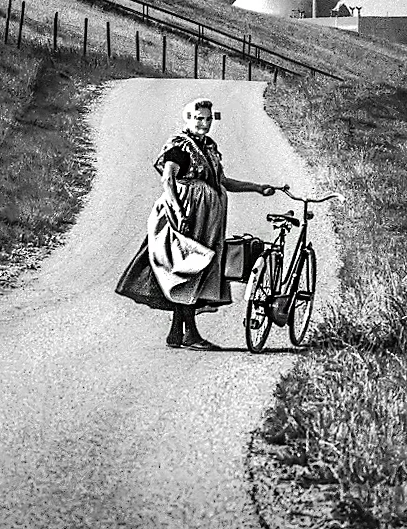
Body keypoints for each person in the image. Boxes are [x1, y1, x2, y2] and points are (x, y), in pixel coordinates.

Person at [112, 98, 285, 349]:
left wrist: (257, 188)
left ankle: (175, 333)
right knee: (189, 269)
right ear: (188, 119)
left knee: (194, 270)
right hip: (185, 215)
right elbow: (167, 180)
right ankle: (190, 334)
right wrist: (179, 213)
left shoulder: (209, 148)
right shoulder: (180, 147)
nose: (203, 123)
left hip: (206, 220)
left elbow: (223, 181)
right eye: (198, 118)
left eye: (208, 119)